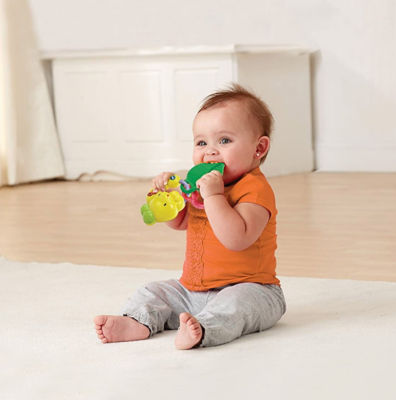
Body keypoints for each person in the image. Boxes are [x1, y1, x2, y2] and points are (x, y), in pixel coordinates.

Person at [94, 83, 286, 349]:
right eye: (201, 142)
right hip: (193, 291)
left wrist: (214, 197)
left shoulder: (255, 189)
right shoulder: (200, 186)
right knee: (154, 291)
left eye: (224, 140)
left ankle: (204, 329)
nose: (210, 151)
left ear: (259, 148)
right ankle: (137, 321)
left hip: (253, 290)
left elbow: (237, 239)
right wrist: (166, 199)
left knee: (236, 304)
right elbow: (182, 222)